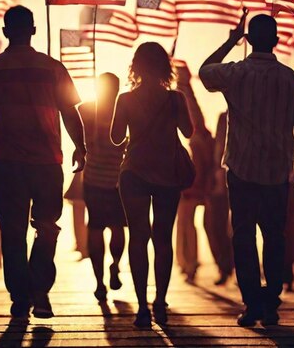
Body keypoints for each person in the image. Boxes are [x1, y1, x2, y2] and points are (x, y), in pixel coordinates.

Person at [199, 12, 294, 327]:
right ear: (277, 41)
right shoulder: (292, 79)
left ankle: (252, 303)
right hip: (278, 171)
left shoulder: (236, 74)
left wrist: (230, 40)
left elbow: (204, 71)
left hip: (241, 167)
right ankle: (272, 302)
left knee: (243, 235)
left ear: (249, 40)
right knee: (275, 235)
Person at [0, 5, 86, 319]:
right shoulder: (53, 68)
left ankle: (20, 297)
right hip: (47, 162)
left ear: (5, 32)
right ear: (33, 30)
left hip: (7, 163)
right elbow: (70, 113)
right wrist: (81, 146)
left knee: (12, 231)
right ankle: (41, 291)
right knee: (47, 228)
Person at [111, 42, 193, 327]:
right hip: (167, 175)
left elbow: (116, 137)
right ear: (163, 67)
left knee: (138, 237)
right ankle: (160, 301)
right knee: (162, 239)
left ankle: (142, 307)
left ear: (136, 66)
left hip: (134, 173)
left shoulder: (125, 99)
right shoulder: (175, 99)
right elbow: (188, 131)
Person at [79, 73, 127, 302]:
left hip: (106, 181)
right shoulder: (92, 111)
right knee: (111, 228)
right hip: (109, 180)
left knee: (103, 229)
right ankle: (103, 277)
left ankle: (107, 274)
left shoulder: (90, 110)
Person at [174, 63, 214, 284]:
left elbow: (192, 110)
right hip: (193, 184)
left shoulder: (200, 139)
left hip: (193, 185)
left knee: (187, 225)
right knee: (188, 225)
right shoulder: (201, 138)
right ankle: (188, 263)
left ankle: (189, 263)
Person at [205, 112, 234, 285]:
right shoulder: (224, 117)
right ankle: (227, 265)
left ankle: (226, 265)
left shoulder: (225, 116)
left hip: (225, 179)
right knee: (219, 226)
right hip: (223, 178)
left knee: (217, 225)